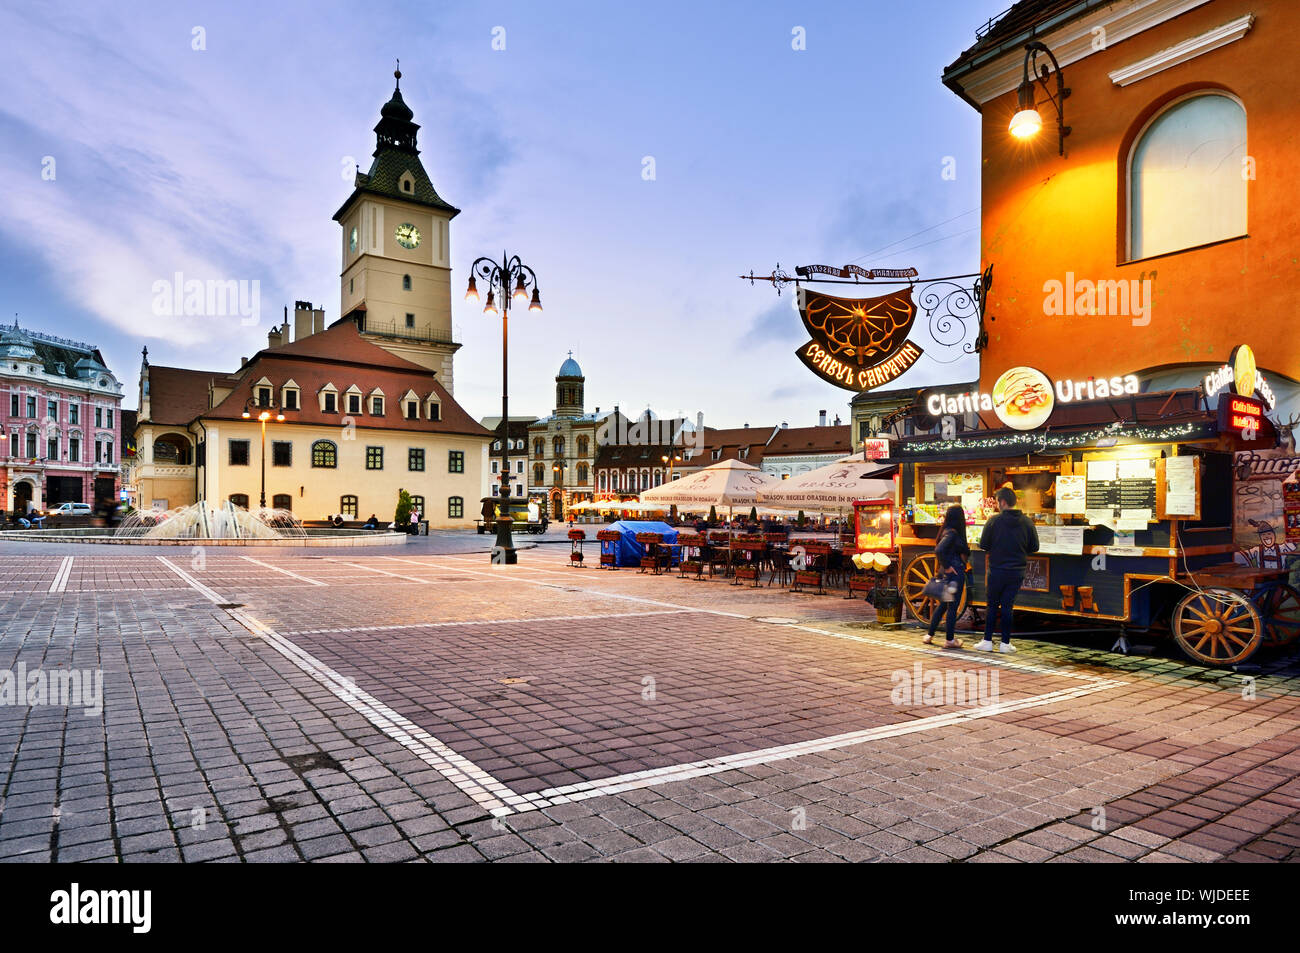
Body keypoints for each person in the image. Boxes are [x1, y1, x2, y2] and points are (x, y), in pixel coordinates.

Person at [976, 487, 1039, 653]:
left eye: (997, 501)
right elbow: (1035, 547)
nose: (997, 505)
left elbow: (983, 545)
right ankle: (1005, 643)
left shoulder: (993, 521)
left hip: (996, 570)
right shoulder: (1027, 522)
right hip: (1017, 571)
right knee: (1007, 606)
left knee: (992, 605)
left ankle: (987, 641)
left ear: (1002, 502)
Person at [924, 505, 969, 649]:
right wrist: (949, 566)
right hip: (954, 574)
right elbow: (939, 550)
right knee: (952, 606)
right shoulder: (953, 534)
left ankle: (929, 635)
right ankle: (950, 640)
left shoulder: (945, 531)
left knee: (943, 604)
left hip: (947, 573)